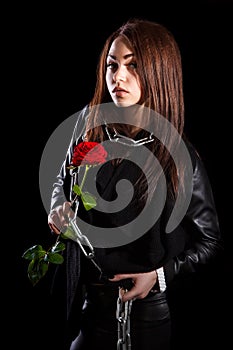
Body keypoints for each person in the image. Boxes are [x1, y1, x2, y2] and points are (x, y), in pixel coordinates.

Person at [47, 18, 223, 350]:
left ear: (159, 72)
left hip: (148, 317)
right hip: (87, 307)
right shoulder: (89, 125)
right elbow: (62, 178)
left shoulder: (179, 155)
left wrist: (159, 276)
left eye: (133, 66)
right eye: (112, 65)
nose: (118, 77)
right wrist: (59, 205)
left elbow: (209, 240)